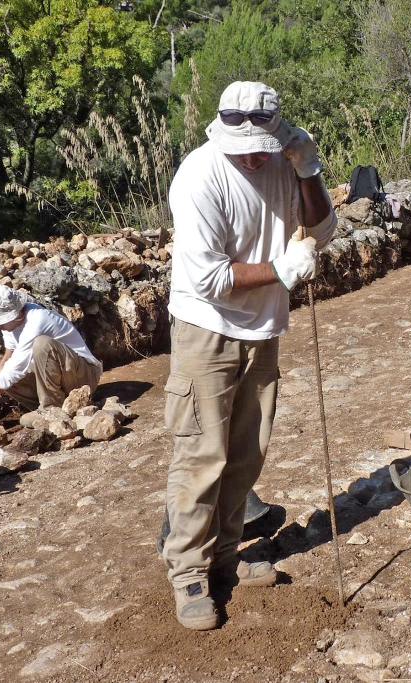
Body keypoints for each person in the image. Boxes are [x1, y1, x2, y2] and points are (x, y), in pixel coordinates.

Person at [162, 81, 337, 630]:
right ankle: (188, 572)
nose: (257, 156)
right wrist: (283, 271)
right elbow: (209, 279)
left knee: (246, 452)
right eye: (248, 148)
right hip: (206, 330)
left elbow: (324, 228)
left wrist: (308, 169)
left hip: (262, 329)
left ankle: (225, 558)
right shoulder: (200, 176)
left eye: (266, 144)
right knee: (201, 455)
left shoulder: (282, 161)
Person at [0, 284, 103, 424]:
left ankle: (50, 410)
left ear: (14, 315)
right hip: (64, 378)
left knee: (42, 345)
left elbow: (14, 370)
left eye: (0, 322)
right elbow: (7, 359)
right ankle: (51, 406)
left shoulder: (37, 320)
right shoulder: (11, 325)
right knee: (4, 375)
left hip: (84, 377)